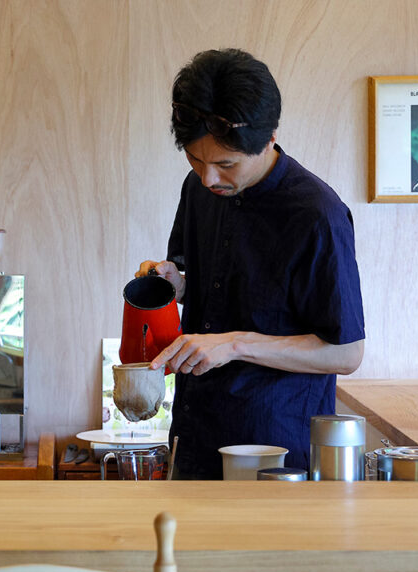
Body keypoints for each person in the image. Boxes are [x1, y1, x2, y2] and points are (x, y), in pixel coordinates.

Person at [136, 48, 365, 479]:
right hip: (193, 435)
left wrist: (236, 343)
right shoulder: (199, 188)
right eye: (194, 158)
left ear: (270, 136)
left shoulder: (317, 214)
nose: (209, 178)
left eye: (226, 164)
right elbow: (219, 288)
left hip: (273, 455)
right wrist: (176, 285)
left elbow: (347, 352)